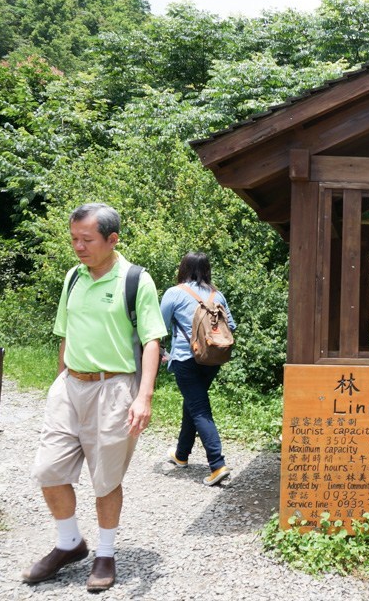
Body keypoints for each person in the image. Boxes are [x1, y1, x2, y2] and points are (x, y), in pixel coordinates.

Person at [25, 203, 167, 592]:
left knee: (105, 479)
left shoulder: (136, 280)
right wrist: (59, 382)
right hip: (70, 385)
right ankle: (69, 542)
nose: (78, 247)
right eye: (74, 239)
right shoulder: (73, 277)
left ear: (112, 239)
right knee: (48, 470)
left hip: (114, 388)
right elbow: (66, 333)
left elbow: (152, 341)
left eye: (86, 239)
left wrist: (144, 396)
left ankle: (105, 554)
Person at [159, 252, 236, 486]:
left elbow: (159, 326)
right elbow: (231, 326)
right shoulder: (217, 295)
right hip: (212, 359)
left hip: (186, 359)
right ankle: (181, 455)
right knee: (193, 403)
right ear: (207, 269)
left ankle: (217, 464)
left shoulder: (174, 293)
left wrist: (162, 352)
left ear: (183, 268)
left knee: (199, 408)